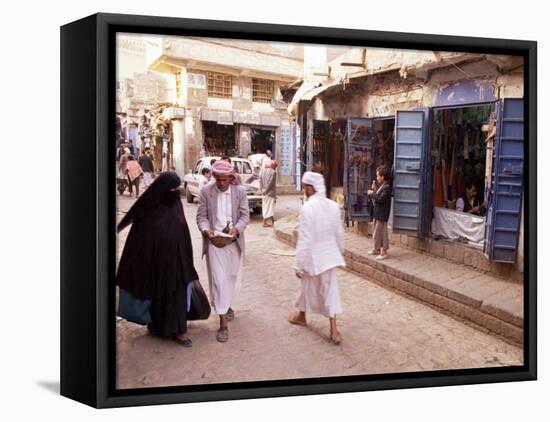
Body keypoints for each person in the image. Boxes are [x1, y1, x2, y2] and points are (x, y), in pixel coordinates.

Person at [117, 172, 199, 347]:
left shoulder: (175, 202)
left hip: (177, 261)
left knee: (176, 295)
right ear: (163, 190)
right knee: (158, 295)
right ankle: (157, 327)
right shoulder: (149, 210)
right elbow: (140, 241)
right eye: (173, 188)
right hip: (157, 262)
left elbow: (181, 229)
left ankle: (180, 331)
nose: (177, 192)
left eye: (178, 188)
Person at [288, 171, 345, 345]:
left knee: (306, 286)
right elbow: (339, 232)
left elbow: (305, 239)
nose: (304, 190)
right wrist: (339, 251)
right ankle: (329, 327)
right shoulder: (333, 206)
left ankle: (307, 317)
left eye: (305, 187)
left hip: (313, 257)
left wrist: (298, 264)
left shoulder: (307, 208)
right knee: (328, 291)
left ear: (310, 188)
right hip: (328, 256)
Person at [196, 160, 250, 343]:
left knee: (230, 278)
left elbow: (245, 216)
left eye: (225, 180)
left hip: (233, 243)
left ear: (231, 177)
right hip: (214, 243)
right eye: (218, 179)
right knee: (218, 281)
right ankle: (222, 323)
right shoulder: (206, 192)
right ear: (214, 177)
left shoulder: (240, 192)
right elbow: (201, 217)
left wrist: (236, 229)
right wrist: (206, 230)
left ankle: (225, 306)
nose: (221, 183)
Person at [367, 165, 392, 260]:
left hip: (382, 215)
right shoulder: (382, 186)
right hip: (378, 214)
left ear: (383, 177)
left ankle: (384, 251)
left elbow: (381, 199)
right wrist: (375, 191)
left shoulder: (387, 188)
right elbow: (378, 195)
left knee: (381, 233)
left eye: (378, 176)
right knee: (375, 232)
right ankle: (377, 249)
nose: (377, 178)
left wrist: (372, 193)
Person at [260, 160, 277, 227]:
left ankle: (272, 220)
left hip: (263, 192)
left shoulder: (262, 171)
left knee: (266, 206)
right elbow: (271, 183)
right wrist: (266, 191)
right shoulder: (273, 172)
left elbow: (260, 180)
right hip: (270, 192)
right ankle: (264, 222)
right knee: (268, 207)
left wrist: (262, 190)